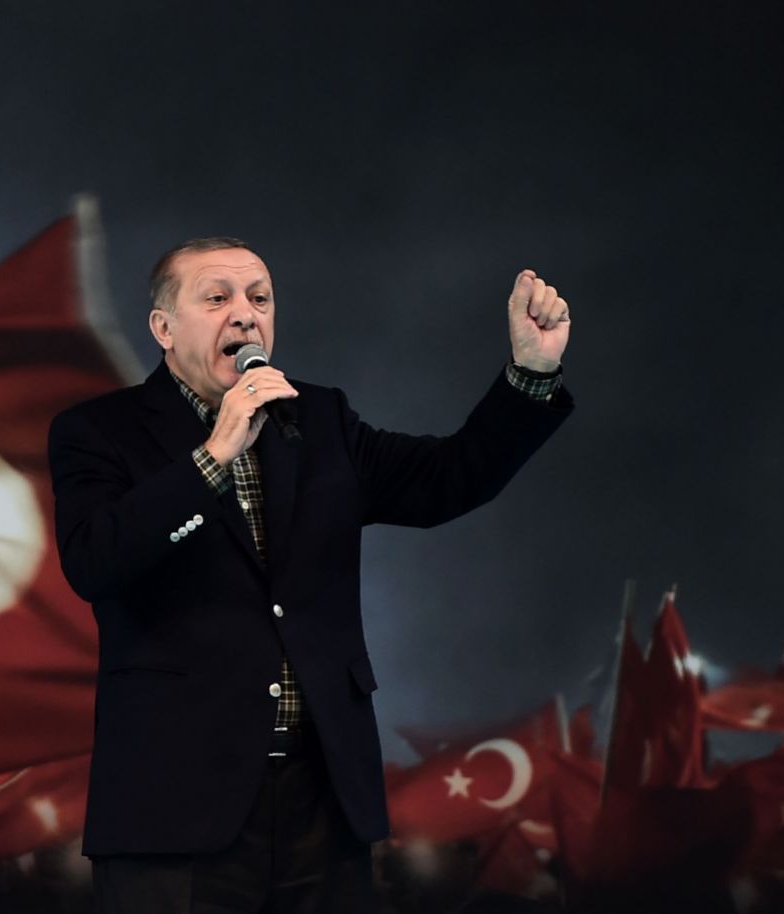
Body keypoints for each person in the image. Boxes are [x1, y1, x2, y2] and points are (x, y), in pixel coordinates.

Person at [47, 237, 573, 913]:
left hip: (322, 805)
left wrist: (529, 376)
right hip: (174, 810)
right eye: (217, 298)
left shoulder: (317, 419)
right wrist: (213, 456)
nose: (245, 315)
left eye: (259, 298)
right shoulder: (99, 431)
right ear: (163, 327)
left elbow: (448, 481)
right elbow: (95, 560)